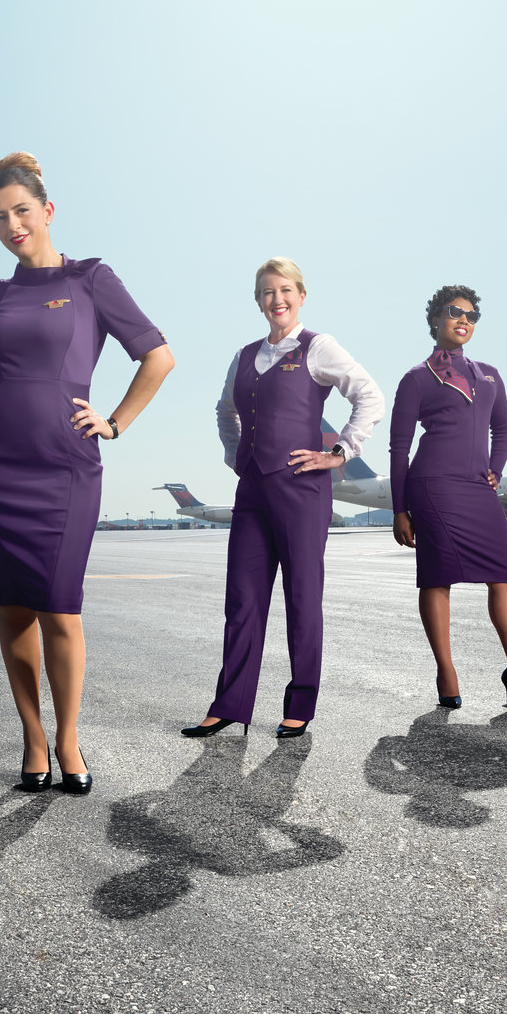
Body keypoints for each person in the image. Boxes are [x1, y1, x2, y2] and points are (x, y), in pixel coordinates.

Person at [0, 152, 175, 794]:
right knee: (14, 605)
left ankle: (69, 738)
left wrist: (115, 420)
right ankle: (31, 740)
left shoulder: (90, 278)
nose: (12, 225)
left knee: (60, 605)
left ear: (47, 212)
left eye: (21, 211)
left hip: (66, 465)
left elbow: (158, 357)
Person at [182, 258, 384, 740]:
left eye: (286, 290)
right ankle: (229, 704)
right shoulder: (245, 354)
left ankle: (300, 706)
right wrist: (236, 456)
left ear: (301, 295)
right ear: (258, 301)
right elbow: (224, 410)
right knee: (243, 598)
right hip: (252, 489)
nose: (278, 299)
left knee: (302, 597)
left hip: (300, 489)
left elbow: (370, 396)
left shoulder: (319, 348)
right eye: (268, 292)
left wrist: (339, 451)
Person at [389, 285, 507, 709]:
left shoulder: (490, 374)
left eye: (471, 315)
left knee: (504, 575)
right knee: (437, 576)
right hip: (432, 487)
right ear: (435, 320)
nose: (463, 319)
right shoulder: (415, 378)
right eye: (454, 312)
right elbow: (398, 448)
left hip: (477, 491)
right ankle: (446, 672)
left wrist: (495, 471)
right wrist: (399, 509)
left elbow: (503, 428)